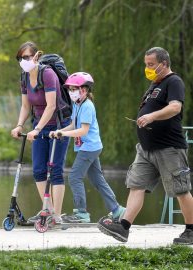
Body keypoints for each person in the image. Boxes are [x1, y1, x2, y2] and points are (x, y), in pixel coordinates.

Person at [98, 47, 193, 244]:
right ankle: (123, 227)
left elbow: (175, 107)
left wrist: (151, 116)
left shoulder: (173, 81)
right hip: (146, 149)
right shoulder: (153, 85)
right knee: (136, 185)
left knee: (181, 190)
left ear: (164, 64)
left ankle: (191, 230)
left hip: (169, 148)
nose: (147, 68)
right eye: (146, 64)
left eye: (151, 65)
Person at [50, 72, 125, 223]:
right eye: (70, 89)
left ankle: (81, 213)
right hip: (88, 146)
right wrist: (59, 131)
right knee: (97, 179)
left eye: (74, 89)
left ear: (84, 90)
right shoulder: (77, 104)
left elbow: (83, 130)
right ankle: (117, 210)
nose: (71, 92)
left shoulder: (87, 106)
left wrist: (64, 134)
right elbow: (73, 124)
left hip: (89, 147)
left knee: (74, 177)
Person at [11, 41, 70, 224]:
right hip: (39, 126)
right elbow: (26, 105)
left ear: (37, 56)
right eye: (21, 58)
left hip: (59, 126)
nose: (24, 61)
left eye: (28, 57)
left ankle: (57, 216)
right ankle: (48, 211)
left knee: (56, 170)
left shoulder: (48, 74)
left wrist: (36, 129)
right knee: (38, 170)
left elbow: (51, 106)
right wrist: (20, 125)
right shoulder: (24, 77)